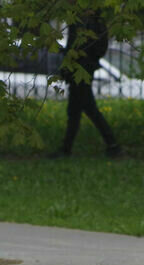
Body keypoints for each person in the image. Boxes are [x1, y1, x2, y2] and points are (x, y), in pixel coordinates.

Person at [58, 10, 121, 158]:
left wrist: (69, 66)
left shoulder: (84, 21)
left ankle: (112, 144)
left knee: (87, 108)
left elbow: (75, 47)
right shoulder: (90, 20)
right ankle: (66, 148)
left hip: (81, 70)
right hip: (83, 69)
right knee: (75, 110)